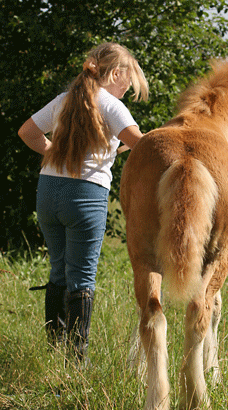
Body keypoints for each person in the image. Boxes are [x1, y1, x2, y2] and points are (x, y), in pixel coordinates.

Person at [18, 42, 148, 364]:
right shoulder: (112, 107)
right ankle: (76, 361)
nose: (128, 86)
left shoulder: (64, 100)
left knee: (58, 270)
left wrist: (54, 153)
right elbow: (143, 146)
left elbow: (27, 132)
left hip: (47, 192)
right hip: (85, 196)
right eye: (128, 78)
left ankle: (54, 352)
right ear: (116, 73)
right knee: (82, 275)